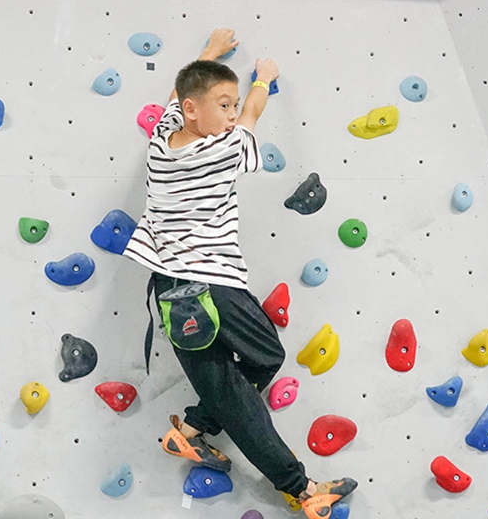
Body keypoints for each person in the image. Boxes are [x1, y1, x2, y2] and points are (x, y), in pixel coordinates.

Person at [122, 28, 356, 519]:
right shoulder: (223, 149)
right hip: (210, 283)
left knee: (238, 377)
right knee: (263, 360)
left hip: (169, 289)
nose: (231, 114)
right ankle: (303, 489)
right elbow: (252, 114)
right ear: (196, 110)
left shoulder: (162, 142)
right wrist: (262, 79)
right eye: (222, 105)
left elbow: (176, 98)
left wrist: (209, 54)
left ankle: (190, 431)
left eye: (231, 106)